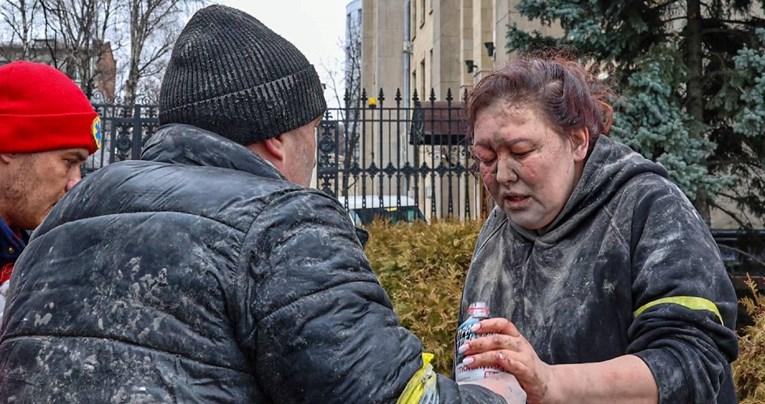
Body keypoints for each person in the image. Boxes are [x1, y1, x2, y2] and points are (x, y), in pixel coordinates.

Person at [0, 6, 513, 403]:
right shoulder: (281, 224)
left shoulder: (67, 218)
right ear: (277, 140)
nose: (314, 153)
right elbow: (391, 393)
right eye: (314, 132)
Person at [455, 55, 738, 403]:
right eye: (486, 158)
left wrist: (551, 382)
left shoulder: (649, 207)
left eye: (521, 151)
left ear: (578, 141)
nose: (502, 175)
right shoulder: (498, 229)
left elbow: (693, 363)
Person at [0, 61, 100, 320]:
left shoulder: (21, 249)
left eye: (81, 166)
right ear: (9, 148)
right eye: (69, 161)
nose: (75, 183)